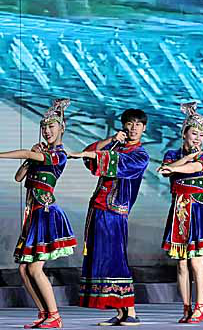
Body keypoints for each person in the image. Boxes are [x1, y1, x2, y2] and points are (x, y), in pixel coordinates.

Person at [0, 99, 76, 329]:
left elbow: (27, 155)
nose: (47, 131)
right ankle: (44, 312)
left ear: (61, 128)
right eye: (44, 127)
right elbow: (19, 177)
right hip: (33, 214)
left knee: (34, 268)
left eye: (51, 126)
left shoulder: (60, 154)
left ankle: (55, 315)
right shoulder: (41, 153)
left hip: (46, 213)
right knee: (23, 269)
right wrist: (31, 156)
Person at [69, 109, 150, 326]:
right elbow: (88, 153)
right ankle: (120, 310)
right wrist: (110, 140)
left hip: (115, 212)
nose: (133, 128)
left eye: (138, 124)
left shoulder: (140, 155)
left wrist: (93, 155)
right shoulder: (115, 146)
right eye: (129, 123)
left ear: (144, 128)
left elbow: (116, 162)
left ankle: (130, 309)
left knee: (116, 258)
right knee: (102, 258)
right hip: (99, 207)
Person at [157, 103, 203, 324]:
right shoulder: (171, 154)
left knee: (196, 263)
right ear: (184, 134)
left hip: (198, 211)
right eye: (194, 133)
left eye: (201, 135)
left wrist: (176, 167)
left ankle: (199, 307)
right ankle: (186, 307)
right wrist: (182, 161)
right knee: (181, 264)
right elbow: (166, 171)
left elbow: (194, 168)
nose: (198, 139)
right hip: (179, 211)